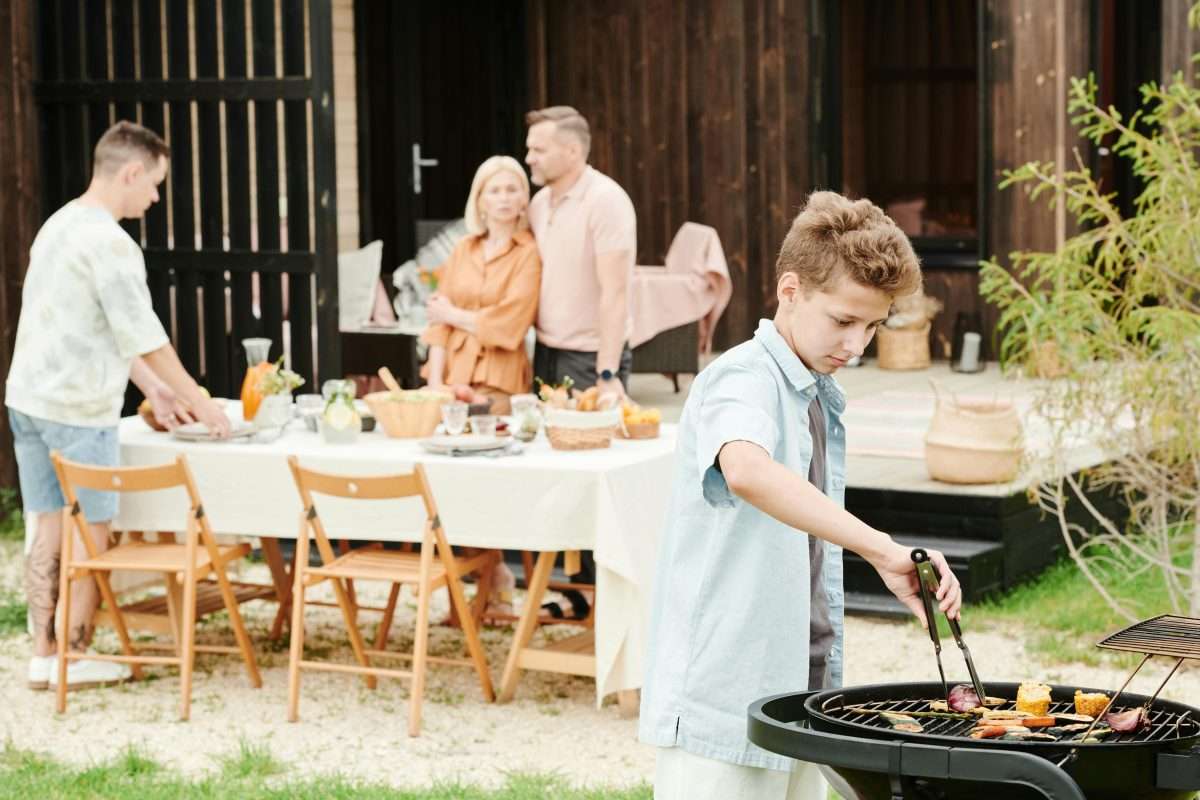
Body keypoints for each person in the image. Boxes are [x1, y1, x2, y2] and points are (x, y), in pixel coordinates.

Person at [638, 191, 963, 799]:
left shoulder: (814, 390)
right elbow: (748, 471)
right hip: (726, 695)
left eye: (873, 324)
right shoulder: (742, 378)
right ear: (791, 291)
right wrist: (881, 548)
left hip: (798, 684)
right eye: (843, 320)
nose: (858, 344)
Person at [6, 120, 231, 693]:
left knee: (47, 524)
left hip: (28, 399)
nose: (156, 197)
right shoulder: (111, 242)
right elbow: (146, 336)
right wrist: (199, 401)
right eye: (154, 184)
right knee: (91, 532)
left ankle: (42, 653)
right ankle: (74, 656)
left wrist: (152, 388)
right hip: (79, 409)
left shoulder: (59, 224)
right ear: (130, 172)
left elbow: (97, 323)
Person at [525, 106, 636, 398]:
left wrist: (607, 372)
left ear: (572, 151)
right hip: (546, 350)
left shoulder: (606, 201)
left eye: (539, 150)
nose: (529, 159)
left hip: (590, 359)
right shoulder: (538, 203)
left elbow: (616, 292)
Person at [421, 155, 541, 416]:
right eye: (495, 190)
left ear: (524, 200)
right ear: (480, 201)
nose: (504, 198)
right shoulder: (464, 248)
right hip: (451, 374)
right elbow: (438, 323)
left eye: (512, 190)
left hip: (499, 378)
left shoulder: (529, 253)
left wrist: (453, 315)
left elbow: (510, 325)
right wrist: (435, 385)